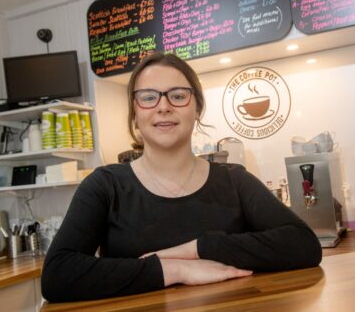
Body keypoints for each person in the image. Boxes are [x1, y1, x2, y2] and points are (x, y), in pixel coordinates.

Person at [41, 52, 322, 303]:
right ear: (135, 113)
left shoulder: (234, 181)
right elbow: (57, 275)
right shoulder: (105, 186)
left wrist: (199, 249)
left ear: (197, 108)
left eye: (177, 95)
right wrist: (174, 269)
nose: (163, 106)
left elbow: (303, 245)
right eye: (149, 97)